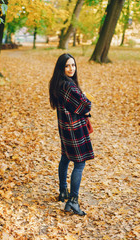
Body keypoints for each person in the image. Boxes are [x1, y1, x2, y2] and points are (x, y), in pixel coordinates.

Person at [49, 53, 94, 216]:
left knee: (65, 157)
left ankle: (63, 191)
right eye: (67, 66)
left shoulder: (57, 83)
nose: (71, 69)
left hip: (65, 128)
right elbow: (86, 105)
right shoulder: (69, 87)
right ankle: (73, 201)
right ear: (61, 68)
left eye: (73, 65)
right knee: (80, 164)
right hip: (74, 130)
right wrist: (86, 98)